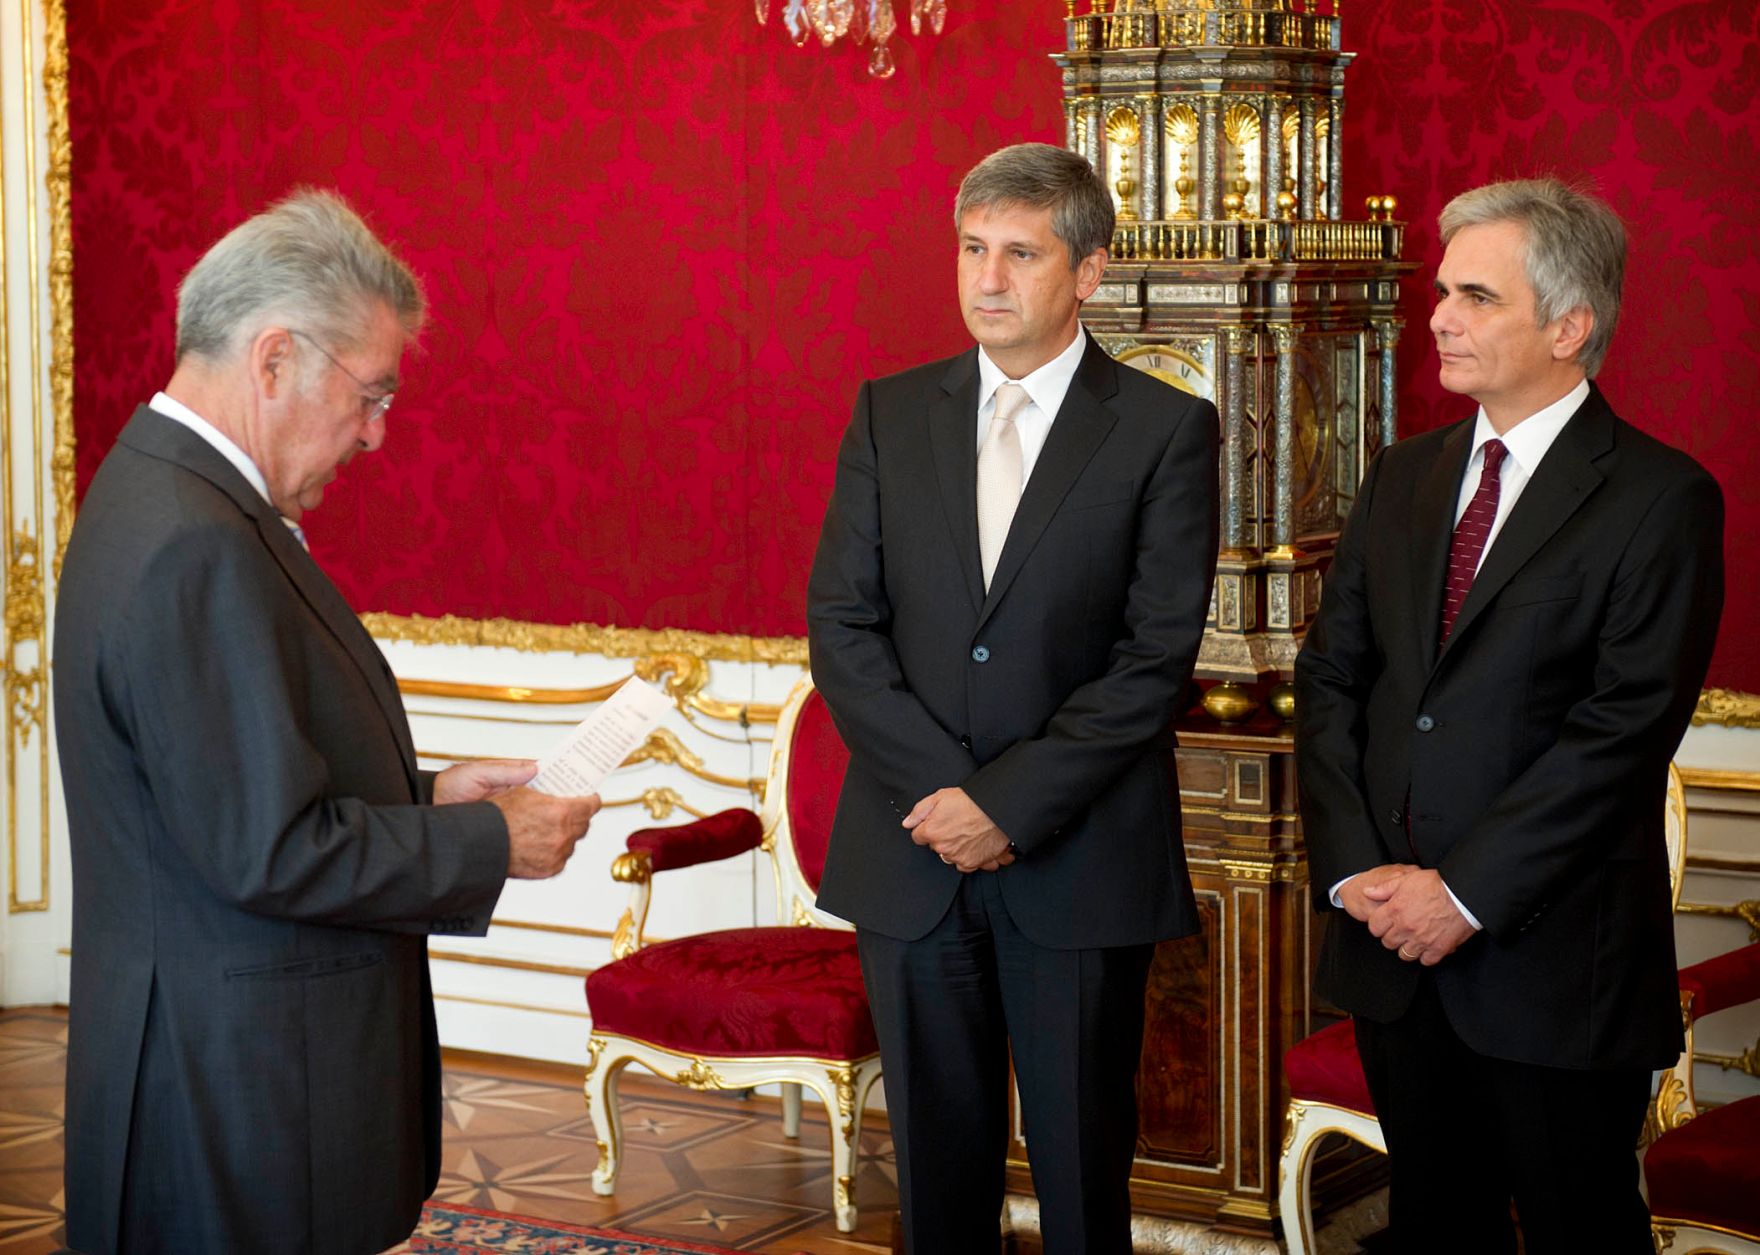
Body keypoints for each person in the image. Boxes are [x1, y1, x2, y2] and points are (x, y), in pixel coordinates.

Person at [53, 189, 603, 1255]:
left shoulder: (175, 499)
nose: (376, 433)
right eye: (369, 394)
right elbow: (265, 849)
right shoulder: (194, 542)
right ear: (272, 360)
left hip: (229, 1068)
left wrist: (425, 797)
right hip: (240, 1092)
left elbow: (230, 791)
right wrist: (489, 839)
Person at [1295, 177, 1725, 1254]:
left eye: (1474, 296)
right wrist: (1356, 875)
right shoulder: (1397, 476)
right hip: (1391, 948)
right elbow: (1331, 681)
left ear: (1569, 325)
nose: (1437, 314)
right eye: (1443, 290)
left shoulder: (1657, 498)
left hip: (1550, 965)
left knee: (1581, 1230)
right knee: (1436, 1226)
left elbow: (1619, 731)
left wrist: (1465, 893)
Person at [806, 142, 1219, 1252]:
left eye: (1020, 254)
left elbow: (1152, 659)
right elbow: (841, 630)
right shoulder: (888, 413)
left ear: (1087, 271)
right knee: (936, 1187)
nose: (986, 279)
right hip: (911, 850)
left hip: (1079, 862)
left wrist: (1008, 804)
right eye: (971, 249)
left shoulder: (1163, 429)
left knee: (1082, 1179)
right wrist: (950, 795)